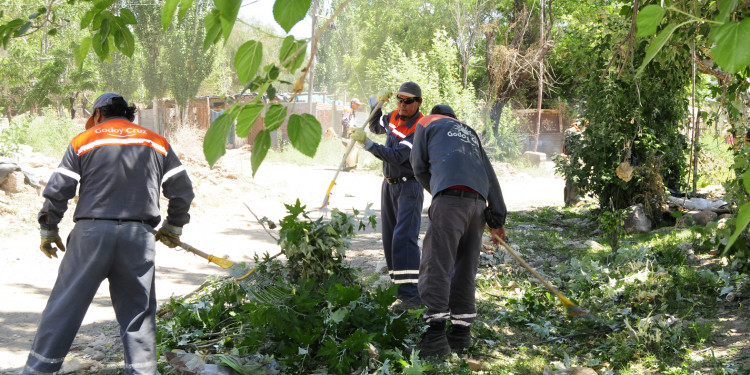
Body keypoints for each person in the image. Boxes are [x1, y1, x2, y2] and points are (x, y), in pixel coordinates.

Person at [24, 93, 195, 375]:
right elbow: (182, 191)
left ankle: (38, 371)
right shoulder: (157, 142)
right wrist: (173, 227)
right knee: (138, 315)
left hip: (91, 235)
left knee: (64, 307)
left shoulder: (84, 141)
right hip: (138, 237)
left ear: (99, 114)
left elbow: (59, 190)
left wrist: (48, 228)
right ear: (128, 114)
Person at [410, 104, 507, 358]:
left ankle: (434, 336)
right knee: (465, 266)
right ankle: (461, 333)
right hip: (478, 203)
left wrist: (440, 190)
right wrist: (497, 219)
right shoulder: (468, 130)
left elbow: (418, 166)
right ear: (454, 117)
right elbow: (490, 174)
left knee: (437, 264)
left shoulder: (427, 122)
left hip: (449, 200)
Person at [349, 82, 425, 313]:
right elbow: (375, 125)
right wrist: (377, 102)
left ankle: (412, 296)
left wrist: (367, 145)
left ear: (418, 102)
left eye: (408, 101)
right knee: (390, 238)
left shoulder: (419, 128)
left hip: (409, 187)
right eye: (399, 99)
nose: (402, 104)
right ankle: (399, 289)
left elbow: (397, 156)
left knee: (404, 238)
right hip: (389, 186)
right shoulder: (393, 117)